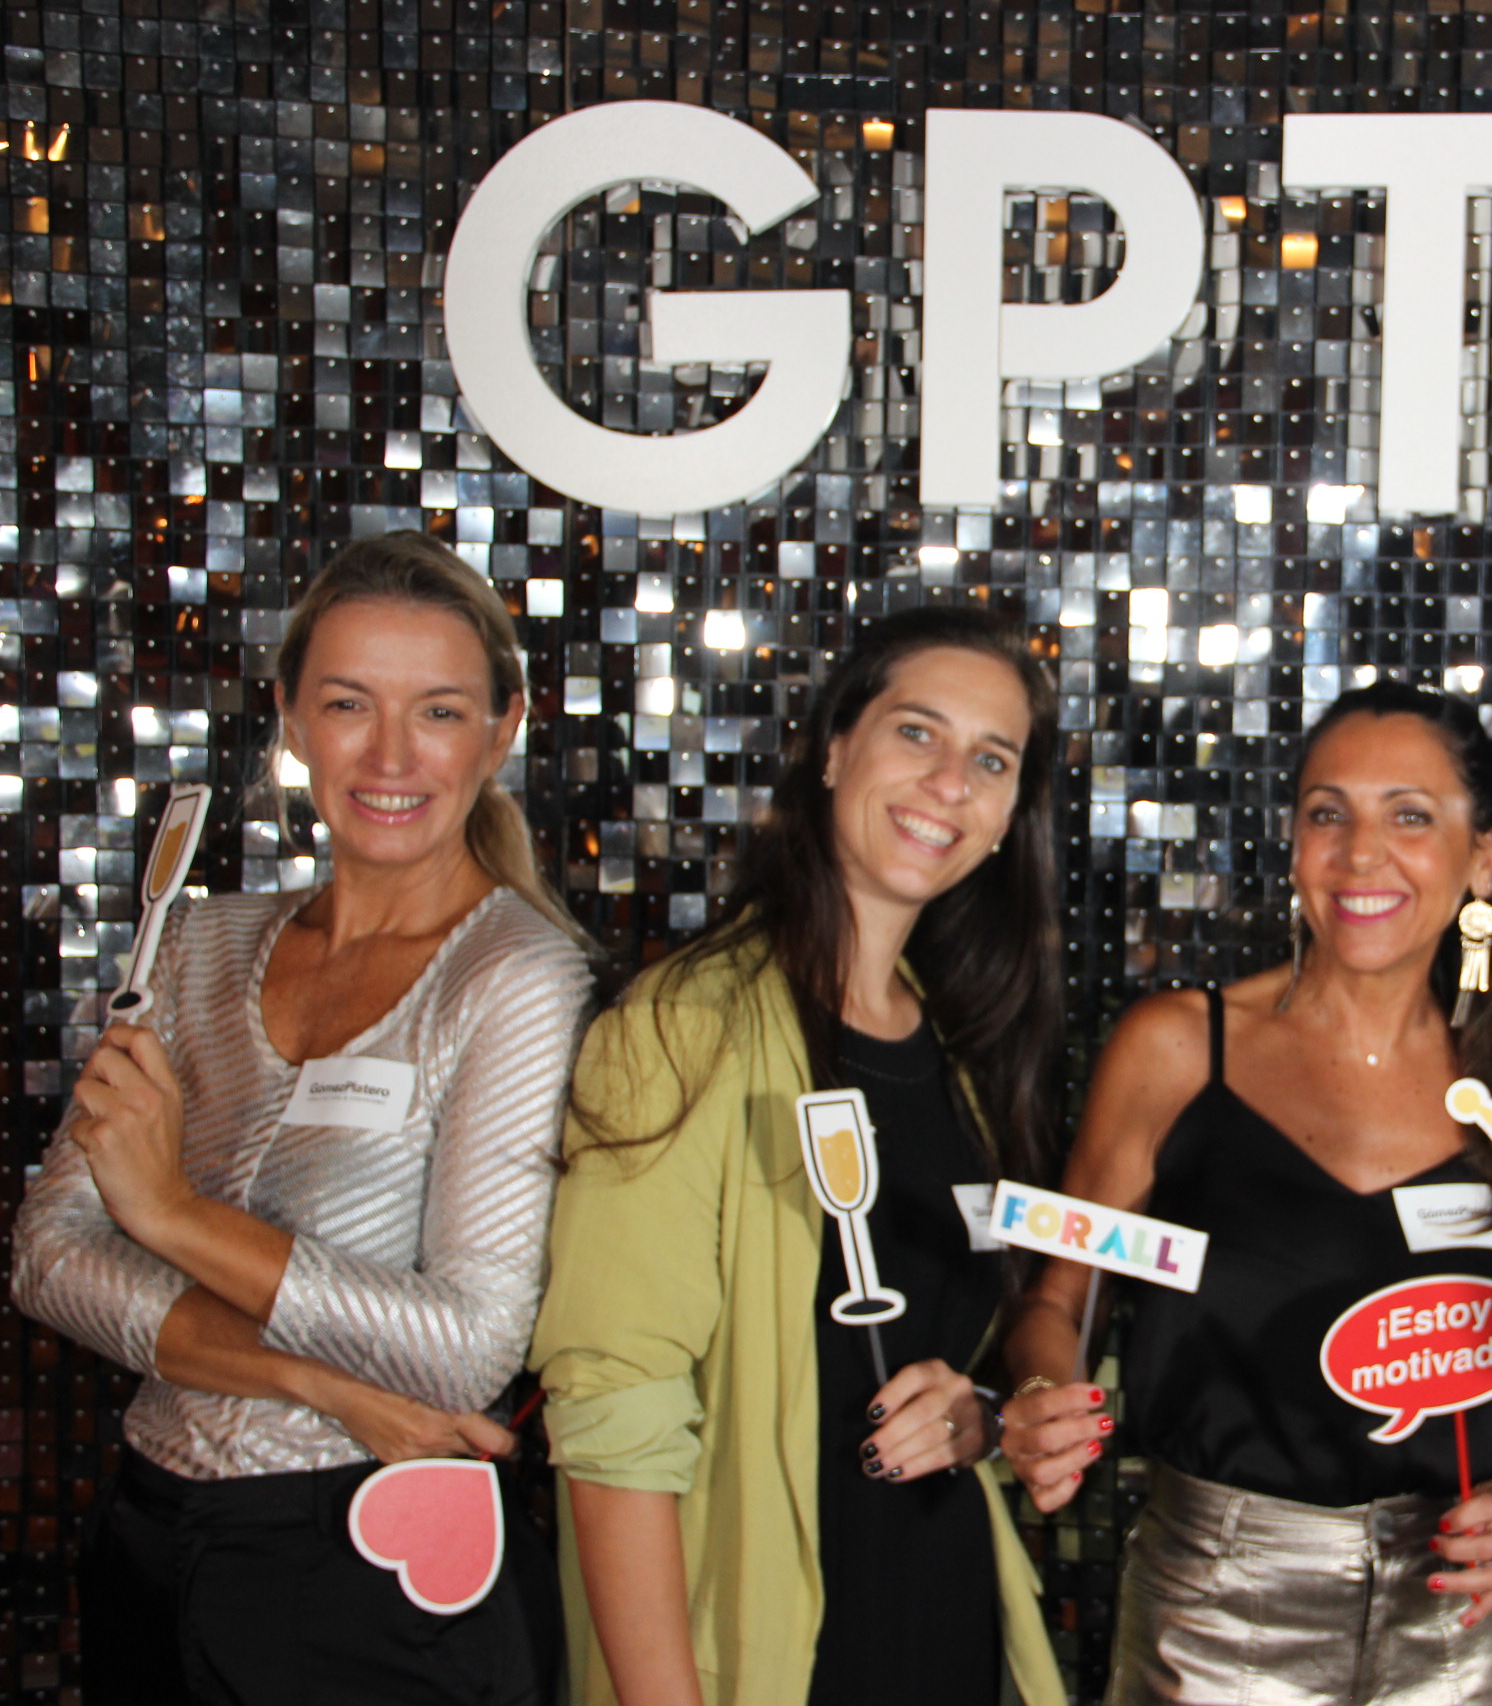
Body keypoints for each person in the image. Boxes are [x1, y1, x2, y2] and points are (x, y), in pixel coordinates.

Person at [12, 530, 596, 1704]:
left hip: (367, 1569)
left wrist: (169, 1215)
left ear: (503, 730)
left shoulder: (517, 976)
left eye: (439, 712)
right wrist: (330, 1387)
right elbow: (48, 1259)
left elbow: (467, 1347)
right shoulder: (195, 942)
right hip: (149, 1542)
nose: (391, 756)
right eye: (346, 704)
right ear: (289, 718)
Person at [530, 605, 1068, 1706]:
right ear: (832, 749)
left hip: (947, 1637)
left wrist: (980, 1414)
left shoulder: (953, 1049)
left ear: (1012, 813)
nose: (948, 782)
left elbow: (933, 1350)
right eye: (916, 732)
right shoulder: (682, 1030)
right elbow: (613, 1413)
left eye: (991, 760)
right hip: (770, 1663)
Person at [1000, 681, 1492, 1706]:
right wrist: (1038, 1397)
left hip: (1456, 1631)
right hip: (1215, 1625)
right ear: (1293, 842)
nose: (1360, 855)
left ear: (1481, 856)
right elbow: (1057, 1301)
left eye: (1410, 816)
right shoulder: (1176, 1050)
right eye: (1328, 814)